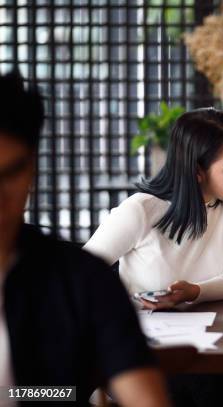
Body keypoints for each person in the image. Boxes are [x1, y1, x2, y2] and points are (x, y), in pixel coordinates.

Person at [0, 71, 170, 406]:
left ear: (31, 168)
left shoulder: (81, 280)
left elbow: (143, 395)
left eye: (9, 174)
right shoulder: (139, 210)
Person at [84, 107, 223, 406]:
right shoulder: (141, 210)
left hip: (205, 350)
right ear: (197, 170)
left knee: (207, 380)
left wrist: (194, 292)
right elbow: (79, 278)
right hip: (140, 356)